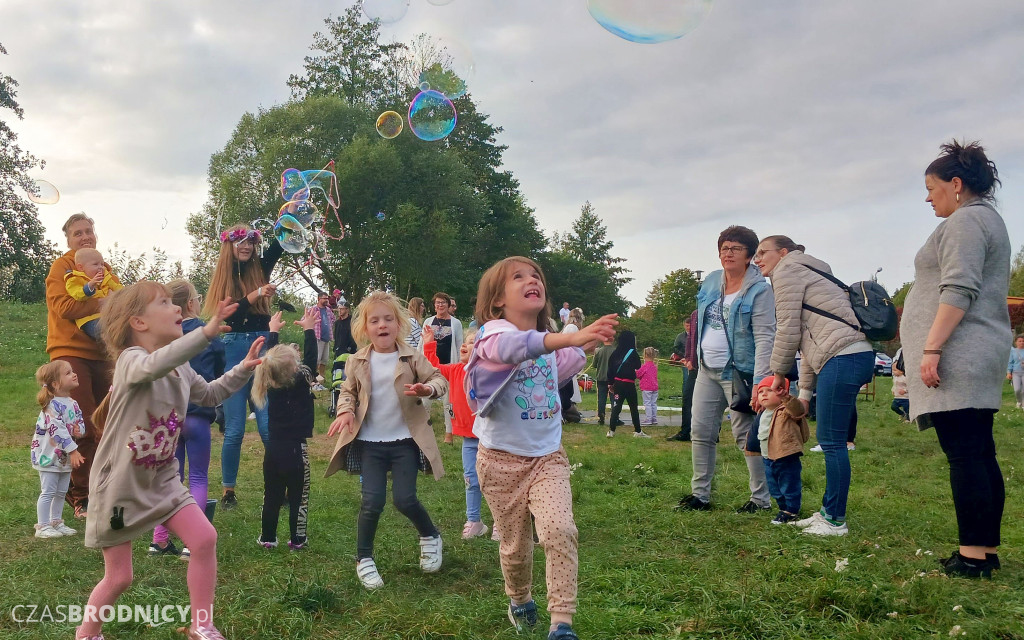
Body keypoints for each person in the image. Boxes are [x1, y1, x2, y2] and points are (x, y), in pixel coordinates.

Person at [79, 282, 263, 640]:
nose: (178, 308)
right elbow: (152, 366)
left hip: (164, 481)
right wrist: (206, 333)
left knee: (205, 538)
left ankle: (202, 625)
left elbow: (210, 394)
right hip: (121, 486)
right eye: (165, 303)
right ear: (138, 322)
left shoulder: (181, 370)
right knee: (120, 577)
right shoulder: (132, 361)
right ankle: (87, 634)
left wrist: (242, 368)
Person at [465, 256, 618, 640]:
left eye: (536, 276)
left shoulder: (548, 344)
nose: (531, 280)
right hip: (499, 461)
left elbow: (564, 360)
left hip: (548, 457)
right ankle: (518, 597)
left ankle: (561, 623)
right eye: (518, 277)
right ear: (497, 300)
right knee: (516, 546)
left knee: (559, 528)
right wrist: (568, 337)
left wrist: (587, 339)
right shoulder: (492, 335)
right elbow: (516, 348)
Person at [902, 140, 1009, 578]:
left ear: (957, 184)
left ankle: (971, 557)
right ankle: (983, 549)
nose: (928, 197)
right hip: (974, 351)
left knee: (966, 454)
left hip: (959, 354)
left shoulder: (966, 223)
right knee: (979, 451)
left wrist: (931, 348)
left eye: (932, 187)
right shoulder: (986, 220)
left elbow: (959, 288)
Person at [325, 291, 448, 590]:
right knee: (372, 502)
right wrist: (345, 412)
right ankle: (363, 558)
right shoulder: (356, 360)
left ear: (399, 324)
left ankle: (431, 536)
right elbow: (348, 392)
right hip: (370, 444)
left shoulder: (411, 356)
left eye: (389, 319)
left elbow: (439, 380)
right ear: (365, 328)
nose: (382, 325)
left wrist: (426, 390)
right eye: (375, 320)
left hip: (405, 441)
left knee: (405, 499)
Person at [754, 235, 874, 536]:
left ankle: (834, 519)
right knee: (831, 438)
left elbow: (788, 327)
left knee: (832, 441)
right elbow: (811, 341)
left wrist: (778, 373)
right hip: (850, 355)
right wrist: (804, 393)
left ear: (783, 252)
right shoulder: (814, 270)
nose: (757, 259)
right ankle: (826, 511)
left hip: (843, 357)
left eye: (762, 252)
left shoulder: (787, 271)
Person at [677, 226, 775, 514]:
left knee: (747, 436)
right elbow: (698, 321)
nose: (727, 253)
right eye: (724, 247)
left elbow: (765, 336)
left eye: (735, 248)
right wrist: (693, 356)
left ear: (749, 256)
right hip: (707, 369)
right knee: (700, 432)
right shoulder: (710, 282)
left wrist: (760, 382)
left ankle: (760, 500)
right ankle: (700, 496)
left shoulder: (759, 290)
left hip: (740, 373)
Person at [45, 213, 122, 520]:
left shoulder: (102, 266)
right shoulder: (64, 266)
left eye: (88, 231)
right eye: (78, 233)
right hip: (70, 351)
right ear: (68, 240)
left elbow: (119, 299)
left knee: (107, 422)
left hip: (103, 352)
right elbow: (62, 307)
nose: (85, 236)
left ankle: (105, 489)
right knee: (82, 425)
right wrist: (101, 304)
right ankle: (81, 497)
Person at [204, 223, 283, 510]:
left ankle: (278, 487)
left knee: (267, 425)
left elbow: (281, 243)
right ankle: (228, 491)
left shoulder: (260, 268)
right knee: (235, 428)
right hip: (234, 348)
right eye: (240, 242)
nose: (247, 246)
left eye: (251, 241)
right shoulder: (224, 278)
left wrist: (287, 217)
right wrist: (256, 294)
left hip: (260, 345)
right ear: (229, 246)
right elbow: (231, 316)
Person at [150, 280, 226, 560]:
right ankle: (191, 543)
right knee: (198, 476)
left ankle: (159, 539)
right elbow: (220, 364)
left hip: (170, 418)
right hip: (197, 416)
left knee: (170, 479)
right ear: (192, 304)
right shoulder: (207, 335)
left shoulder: (165, 334)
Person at [252, 309, 318, 551]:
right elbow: (312, 359)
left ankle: (268, 538)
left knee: (272, 495)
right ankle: (297, 540)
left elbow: (271, 359)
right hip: (296, 452)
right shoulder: (301, 379)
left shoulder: (269, 381)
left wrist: (273, 331)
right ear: (294, 367)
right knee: (299, 498)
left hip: (273, 452)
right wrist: (310, 328)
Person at [422, 323, 489, 539]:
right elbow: (432, 368)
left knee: (496, 482)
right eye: (464, 342)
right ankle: (474, 521)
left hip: (491, 439)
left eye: (472, 343)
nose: (464, 346)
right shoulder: (455, 370)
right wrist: (429, 344)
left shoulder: (487, 372)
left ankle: (501, 522)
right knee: (471, 479)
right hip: (468, 440)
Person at [31, 361, 85, 539]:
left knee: (61, 491)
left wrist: (80, 431)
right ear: (55, 384)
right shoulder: (51, 406)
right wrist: (73, 451)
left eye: (72, 371)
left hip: (63, 457)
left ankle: (56, 521)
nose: (74, 374)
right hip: (49, 456)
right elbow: (57, 430)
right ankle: (42, 526)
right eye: (68, 373)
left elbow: (80, 422)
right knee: (48, 491)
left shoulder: (72, 402)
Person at [747, 378, 808, 524]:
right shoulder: (763, 413)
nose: (764, 394)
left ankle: (791, 510)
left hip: (786, 455)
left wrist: (786, 398)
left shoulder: (786, 410)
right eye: (761, 392)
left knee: (789, 484)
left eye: (770, 390)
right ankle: (783, 508)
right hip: (768, 458)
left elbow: (799, 410)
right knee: (774, 487)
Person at [424, 292, 463, 444]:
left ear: (448, 305)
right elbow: (423, 343)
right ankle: (424, 429)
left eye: (443, 303)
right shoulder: (428, 321)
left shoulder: (456, 323)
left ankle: (449, 433)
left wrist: (459, 366)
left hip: (449, 365)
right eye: (437, 303)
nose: (440, 305)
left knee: (448, 400)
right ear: (434, 305)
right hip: (430, 365)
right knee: (425, 398)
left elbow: (459, 345)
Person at [63, 247, 123, 341]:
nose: (100, 267)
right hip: (90, 319)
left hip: (108, 316)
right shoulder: (74, 280)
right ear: (81, 267)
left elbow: (117, 288)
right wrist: (90, 285)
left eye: (102, 264)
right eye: (95, 264)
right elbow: (78, 295)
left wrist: (131, 292)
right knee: (104, 331)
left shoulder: (106, 278)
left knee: (126, 325)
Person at [606, 331, 647, 438]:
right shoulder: (633, 353)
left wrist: (610, 383)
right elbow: (638, 366)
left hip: (618, 383)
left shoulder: (615, 353)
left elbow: (610, 369)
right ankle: (638, 431)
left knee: (616, 406)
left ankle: (611, 430)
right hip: (629, 384)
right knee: (633, 407)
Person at [667, 311, 699, 442]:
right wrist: (687, 359)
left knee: (700, 400)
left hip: (702, 366)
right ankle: (686, 431)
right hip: (691, 365)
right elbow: (679, 348)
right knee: (687, 397)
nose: (688, 327)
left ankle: (711, 433)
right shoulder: (682, 336)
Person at [558, 308, 585, 423]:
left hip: (569, 361)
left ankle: (567, 410)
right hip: (568, 361)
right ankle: (565, 411)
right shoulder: (572, 328)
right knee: (567, 389)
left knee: (568, 389)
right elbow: (571, 344)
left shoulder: (570, 327)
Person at [309, 292, 336, 389]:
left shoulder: (328, 310)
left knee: (324, 360)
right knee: (317, 359)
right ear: (319, 299)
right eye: (324, 298)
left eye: (327, 298)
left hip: (326, 338)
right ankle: (313, 379)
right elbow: (305, 319)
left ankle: (322, 379)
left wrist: (329, 327)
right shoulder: (313, 309)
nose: (326, 300)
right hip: (317, 337)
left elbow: (333, 319)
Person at [592, 338, 614, 426]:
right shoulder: (615, 351)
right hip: (613, 378)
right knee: (614, 398)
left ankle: (601, 416)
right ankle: (615, 417)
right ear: (612, 340)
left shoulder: (598, 351)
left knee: (601, 398)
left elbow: (594, 365)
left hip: (601, 377)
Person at [636, 347, 660, 426]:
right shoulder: (654, 366)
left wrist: (635, 371)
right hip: (654, 387)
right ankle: (654, 418)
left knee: (647, 403)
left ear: (645, 355)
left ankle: (648, 419)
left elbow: (638, 375)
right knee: (653, 403)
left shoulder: (644, 366)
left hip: (646, 387)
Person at [1007, 335, 1024, 409]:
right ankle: (1019, 401)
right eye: (1020, 341)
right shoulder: (1013, 351)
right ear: (1016, 342)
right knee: (1017, 390)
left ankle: (1023, 404)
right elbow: (1010, 362)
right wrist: (1008, 372)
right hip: (1016, 373)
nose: (1022, 342)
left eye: (1023, 341)